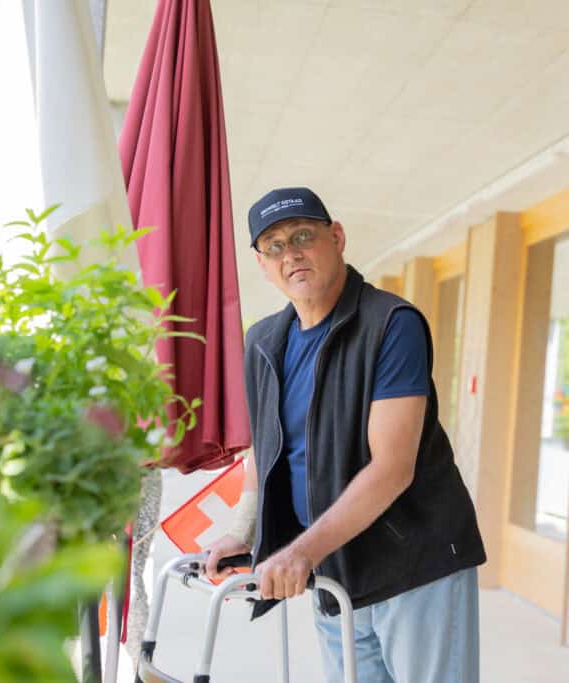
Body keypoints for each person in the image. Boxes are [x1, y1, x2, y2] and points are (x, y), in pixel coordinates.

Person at [204, 187, 485, 682]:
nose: (290, 253)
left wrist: (300, 552)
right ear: (262, 263)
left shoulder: (391, 325)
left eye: (303, 235)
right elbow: (265, 453)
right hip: (336, 571)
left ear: (336, 237)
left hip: (415, 564)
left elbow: (393, 468)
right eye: (274, 245)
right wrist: (244, 529)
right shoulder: (263, 343)